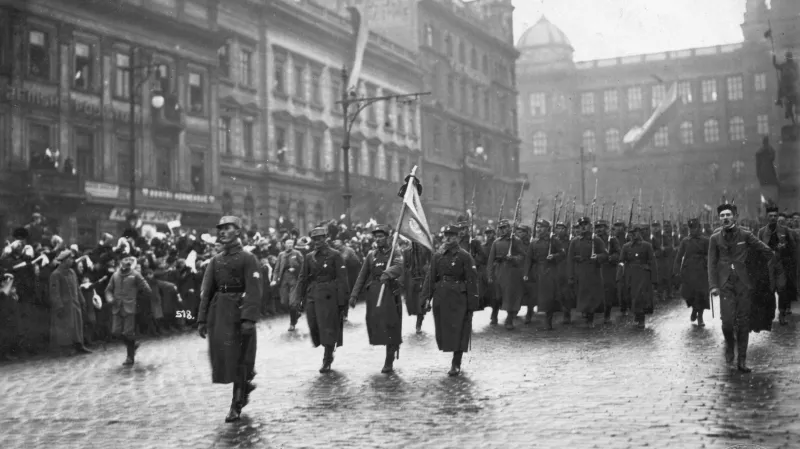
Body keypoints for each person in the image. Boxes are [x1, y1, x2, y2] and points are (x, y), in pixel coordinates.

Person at [197, 216, 262, 422]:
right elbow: (206, 291)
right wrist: (201, 319)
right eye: (221, 229)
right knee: (225, 357)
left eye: (228, 228)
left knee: (241, 358)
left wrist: (248, 319)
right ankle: (245, 385)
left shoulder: (247, 258)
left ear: (238, 232)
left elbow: (254, 290)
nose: (223, 232)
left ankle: (236, 404)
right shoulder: (215, 261)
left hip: (240, 312)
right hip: (219, 314)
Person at [708, 202, 774, 373]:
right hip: (725, 284)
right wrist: (713, 286)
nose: (725, 218)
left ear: (735, 216)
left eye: (728, 215)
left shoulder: (745, 235)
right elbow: (711, 264)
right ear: (719, 218)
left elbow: (767, 251)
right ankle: (730, 344)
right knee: (727, 322)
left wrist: (755, 272)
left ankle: (742, 361)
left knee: (744, 322)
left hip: (744, 284)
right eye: (722, 215)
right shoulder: (714, 238)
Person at [420, 225, 479, 376]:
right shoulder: (438, 255)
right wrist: (426, 297)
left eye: (452, 235)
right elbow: (430, 277)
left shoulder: (465, 256)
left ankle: (456, 362)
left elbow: (472, 280)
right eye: (446, 235)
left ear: (458, 237)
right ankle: (453, 357)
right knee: (444, 330)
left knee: (459, 330)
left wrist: (472, 304)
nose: (448, 238)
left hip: (459, 297)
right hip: (442, 297)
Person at [292, 226, 349, 373]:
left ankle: (327, 357)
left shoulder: (335, 255)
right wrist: (298, 298)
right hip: (313, 294)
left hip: (330, 295)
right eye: (315, 239)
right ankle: (326, 349)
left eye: (320, 238)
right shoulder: (309, 257)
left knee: (327, 327)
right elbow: (303, 278)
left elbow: (343, 279)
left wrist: (343, 302)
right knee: (314, 325)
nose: (317, 241)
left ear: (326, 238)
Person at [349, 224, 404, 373]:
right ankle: (388, 347)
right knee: (376, 324)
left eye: (381, 236)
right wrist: (354, 294)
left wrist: (388, 273)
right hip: (374, 292)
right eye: (376, 236)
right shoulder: (371, 255)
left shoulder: (394, 252)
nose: (378, 239)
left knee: (391, 325)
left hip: (390, 292)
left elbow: (400, 266)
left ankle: (389, 358)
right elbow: (362, 275)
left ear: (387, 238)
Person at [105, 256, 151, 366]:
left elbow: (147, 289)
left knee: (128, 333)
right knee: (115, 331)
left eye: (128, 262)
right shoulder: (115, 275)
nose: (126, 263)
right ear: (120, 263)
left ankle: (130, 357)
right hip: (117, 308)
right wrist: (110, 299)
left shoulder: (135, 275)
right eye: (124, 261)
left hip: (130, 308)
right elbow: (108, 290)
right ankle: (133, 344)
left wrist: (138, 300)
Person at [757, 202, 797, 325]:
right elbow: (757, 249)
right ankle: (770, 313)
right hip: (768, 264)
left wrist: (784, 247)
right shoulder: (762, 232)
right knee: (769, 290)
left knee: (782, 289)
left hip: (781, 264)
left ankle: (782, 313)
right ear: (767, 217)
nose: (773, 218)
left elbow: (793, 247)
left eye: (775, 215)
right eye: (771, 216)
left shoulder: (785, 230)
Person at [523, 219, 565, 330]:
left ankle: (548, 320)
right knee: (532, 296)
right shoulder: (534, 243)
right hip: (536, 272)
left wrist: (554, 256)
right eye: (537, 227)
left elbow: (562, 253)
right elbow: (528, 259)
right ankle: (529, 314)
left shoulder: (554, 241)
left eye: (541, 227)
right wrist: (526, 273)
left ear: (547, 229)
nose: (539, 229)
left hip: (549, 271)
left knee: (549, 297)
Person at [567, 217, 608, 328]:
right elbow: (570, 260)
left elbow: (605, 255)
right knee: (582, 296)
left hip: (593, 271)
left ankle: (590, 319)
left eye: (585, 224)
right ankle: (585, 313)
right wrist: (570, 276)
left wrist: (597, 256)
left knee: (592, 296)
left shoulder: (596, 240)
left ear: (590, 226)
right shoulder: (575, 241)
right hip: (580, 272)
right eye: (581, 225)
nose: (583, 227)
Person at [49, 250, 92, 355]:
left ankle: (79, 345)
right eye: (70, 259)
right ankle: (67, 347)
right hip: (65, 306)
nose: (72, 260)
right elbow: (55, 293)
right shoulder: (56, 274)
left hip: (75, 304)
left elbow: (77, 288)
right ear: (64, 261)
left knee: (77, 325)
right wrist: (59, 306)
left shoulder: (72, 272)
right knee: (66, 326)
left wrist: (82, 300)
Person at [487, 220, 527, 330]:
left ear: (510, 228)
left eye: (505, 228)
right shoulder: (496, 242)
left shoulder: (516, 241)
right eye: (500, 228)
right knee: (497, 296)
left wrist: (513, 258)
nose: (502, 230)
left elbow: (523, 256)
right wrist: (489, 275)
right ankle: (494, 315)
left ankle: (509, 319)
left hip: (511, 272)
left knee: (510, 296)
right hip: (498, 271)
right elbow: (491, 260)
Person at [673, 219, 710, 326]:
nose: (692, 231)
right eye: (691, 228)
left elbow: (711, 255)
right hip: (688, 271)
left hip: (702, 270)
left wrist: (709, 264)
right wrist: (676, 270)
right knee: (689, 294)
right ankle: (694, 309)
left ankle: (700, 317)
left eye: (694, 228)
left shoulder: (705, 240)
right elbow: (679, 256)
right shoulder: (685, 241)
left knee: (701, 294)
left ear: (698, 228)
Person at [620, 224, 657, 329]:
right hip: (630, 275)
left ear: (639, 232)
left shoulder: (647, 246)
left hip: (643, 275)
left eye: (635, 232)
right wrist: (620, 276)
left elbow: (652, 262)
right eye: (631, 233)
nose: (633, 235)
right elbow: (621, 261)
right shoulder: (626, 247)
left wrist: (654, 279)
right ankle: (637, 314)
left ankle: (641, 319)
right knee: (631, 296)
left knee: (641, 297)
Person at [271, 238, 304, 331]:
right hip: (283, 280)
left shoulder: (297, 253)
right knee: (284, 302)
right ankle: (296, 314)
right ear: (284, 244)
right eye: (288, 243)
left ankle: (292, 323)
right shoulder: (281, 255)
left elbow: (303, 266)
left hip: (294, 280)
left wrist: (296, 268)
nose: (289, 245)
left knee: (292, 303)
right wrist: (274, 279)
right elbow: (276, 269)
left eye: (291, 243)